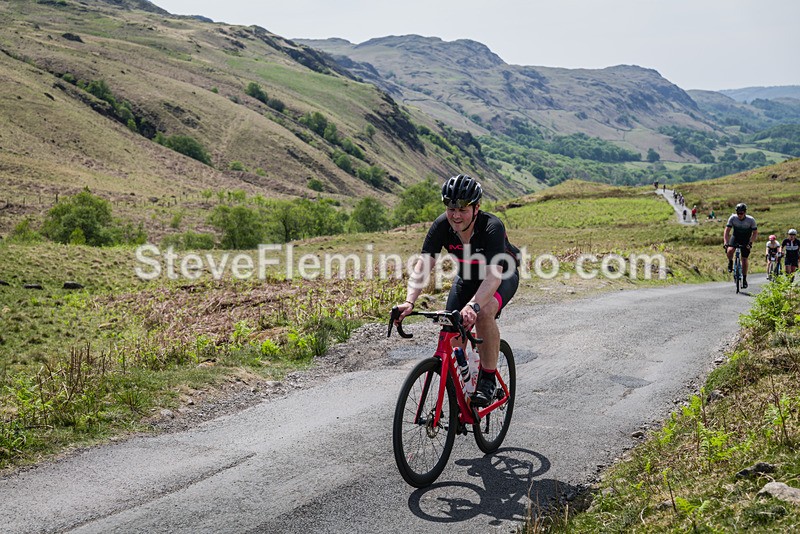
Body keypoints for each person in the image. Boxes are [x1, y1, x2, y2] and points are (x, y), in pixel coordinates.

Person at [395, 174, 520, 407]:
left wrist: (473, 306)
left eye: (463, 209)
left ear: (476, 208)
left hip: (502, 276)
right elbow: (424, 265)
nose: (456, 215)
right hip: (468, 277)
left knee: (483, 312)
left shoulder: (492, 227)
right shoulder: (442, 225)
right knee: (451, 329)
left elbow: (493, 276)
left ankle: (488, 379)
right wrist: (409, 301)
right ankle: (458, 393)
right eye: (451, 208)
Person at [724, 203, 758, 289]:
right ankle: (730, 262)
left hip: (746, 239)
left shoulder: (751, 220)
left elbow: (755, 233)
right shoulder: (733, 218)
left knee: (744, 259)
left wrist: (750, 243)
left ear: (745, 212)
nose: (739, 215)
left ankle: (744, 279)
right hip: (736, 237)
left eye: (741, 213)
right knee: (730, 250)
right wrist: (726, 242)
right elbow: (727, 231)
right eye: (738, 213)